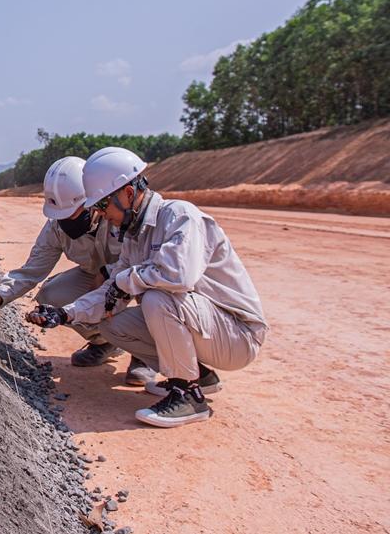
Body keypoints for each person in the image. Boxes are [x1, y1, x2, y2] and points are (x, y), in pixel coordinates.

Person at [33, 147, 268, 428]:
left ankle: (188, 395)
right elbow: (111, 291)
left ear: (128, 194)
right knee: (113, 326)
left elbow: (178, 276)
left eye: (103, 206)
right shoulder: (135, 238)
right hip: (207, 329)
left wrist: (123, 281)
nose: (102, 216)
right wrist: (66, 314)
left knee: (157, 298)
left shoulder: (180, 217)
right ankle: (200, 376)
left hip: (237, 335)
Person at [0, 157, 155, 383]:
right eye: (62, 217)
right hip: (92, 277)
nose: (67, 223)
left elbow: (145, 259)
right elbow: (31, 271)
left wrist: (108, 274)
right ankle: (104, 343)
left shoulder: (120, 215)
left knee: (151, 294)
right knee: (52, 295)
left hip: (132, 276)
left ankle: (146, 356)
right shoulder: (56, 227)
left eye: (73, 214)